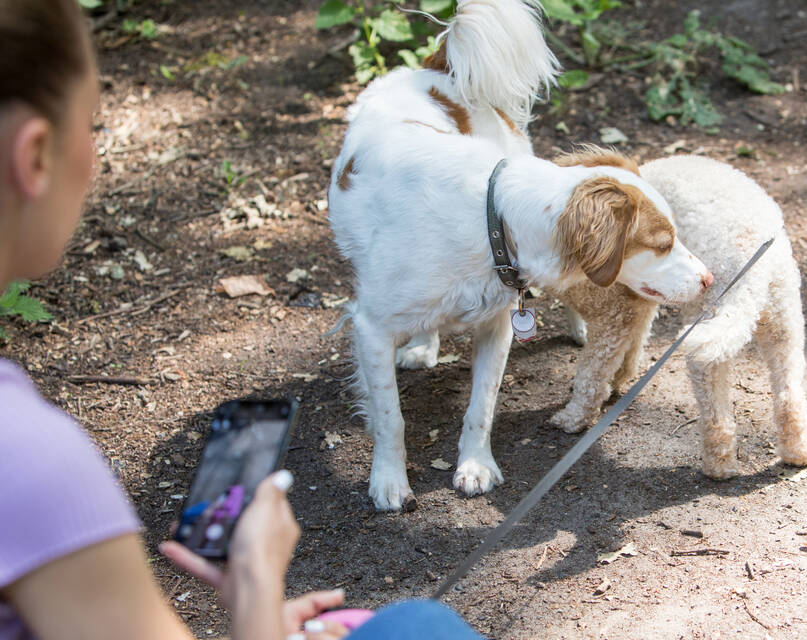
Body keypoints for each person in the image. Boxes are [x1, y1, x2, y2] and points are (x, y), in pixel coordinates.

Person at [0, 2, 484, 639]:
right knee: (427, 628)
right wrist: (257, 590)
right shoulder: (30, 459)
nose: (94, 156)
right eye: (90, 125)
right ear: (34, 156)